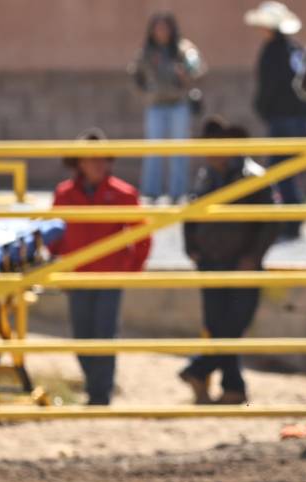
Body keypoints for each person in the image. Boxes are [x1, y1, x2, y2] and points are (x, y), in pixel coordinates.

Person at [179, 116, 279, 405]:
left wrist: (254, 256)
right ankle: (232, 387)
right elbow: (190, 214)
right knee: (219, 325)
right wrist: (192, 248)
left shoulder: (254, 177)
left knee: (232, 324)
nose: (211, 151)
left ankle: (199, 369)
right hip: (211, 261)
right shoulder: (206, 176)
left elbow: (273, 221)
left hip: (242, 263)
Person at [49, 128, 152, 406]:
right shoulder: (65, 194)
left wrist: (130, 268)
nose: (98, 164)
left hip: (109, 274)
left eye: (102, 159)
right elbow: (53, 233)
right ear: (79, 163)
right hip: (77, 275)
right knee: (82, 335)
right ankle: (95, 386)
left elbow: (142, 234)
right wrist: (56, 261)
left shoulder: (123, 193)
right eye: (91, 159)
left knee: (104, 333)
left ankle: (100, 394)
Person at [245, 1, 306, 239]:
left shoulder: (273, 51)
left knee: (281, 171)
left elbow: (269, 86)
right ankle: (292, 220)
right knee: (289, 171)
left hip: (282, 118)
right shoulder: (294, 49)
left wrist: (262, 107)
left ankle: (291, 222)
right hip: (298, 118)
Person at [129, 12, 206, 203]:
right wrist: (145, 93)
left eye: (165, 27)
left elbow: (197, 69)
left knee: (179, 150)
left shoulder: (183, 48)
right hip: (156, 105)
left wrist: (185, 75)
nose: (161, 32)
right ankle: (151, 192)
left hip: (178, 104)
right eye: (158, 27)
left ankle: (177, 193)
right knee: (153, 150)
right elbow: (135, 74)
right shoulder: (147, 51)